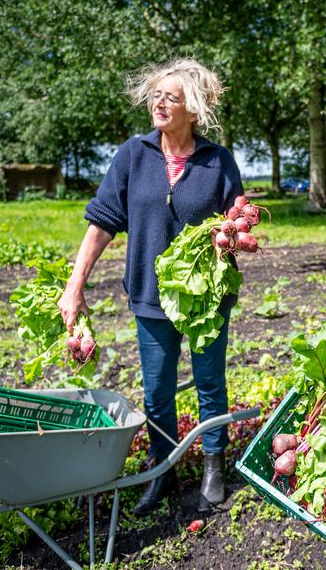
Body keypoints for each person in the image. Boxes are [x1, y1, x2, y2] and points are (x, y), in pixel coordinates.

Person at [58, 58, 243, 515]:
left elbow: (235, 221)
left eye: (171, 97)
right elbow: (102, 223)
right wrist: (74, 284)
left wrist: (234, 235)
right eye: (156, 95)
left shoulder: (217, 161)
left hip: (205, 300)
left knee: (209, 385)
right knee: (157, 390)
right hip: (151, 295)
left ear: (193, 109)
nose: (159, 103)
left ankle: (214, 468)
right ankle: (162, 469)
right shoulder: (132, 154)